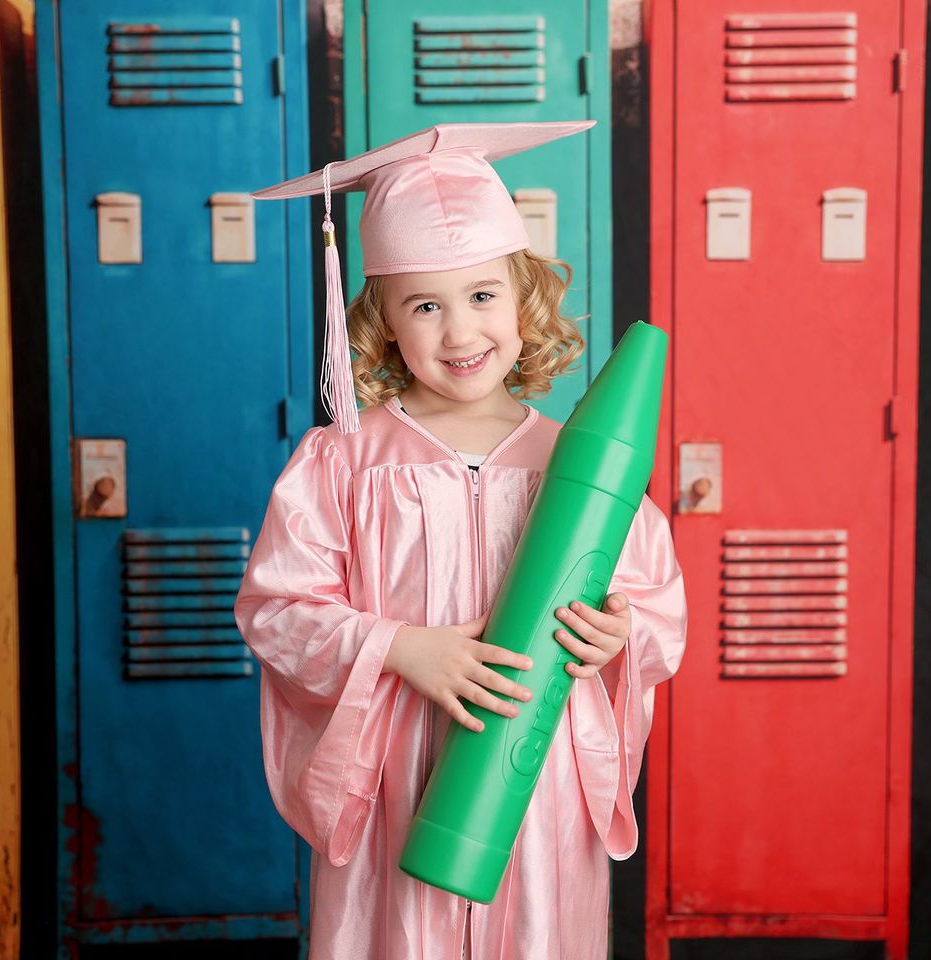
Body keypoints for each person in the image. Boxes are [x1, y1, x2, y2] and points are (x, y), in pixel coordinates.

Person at [235, 122, 687, 959]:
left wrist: (620, 635)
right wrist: (400, 648)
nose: (459, 332)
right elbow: (276, 611)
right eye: (425, 306)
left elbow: (656, 611)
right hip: (403, 774)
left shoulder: (580, 461)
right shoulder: (343, 463)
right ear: (383, 322)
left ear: (523, 299)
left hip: (534, 778)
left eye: (482, 296)